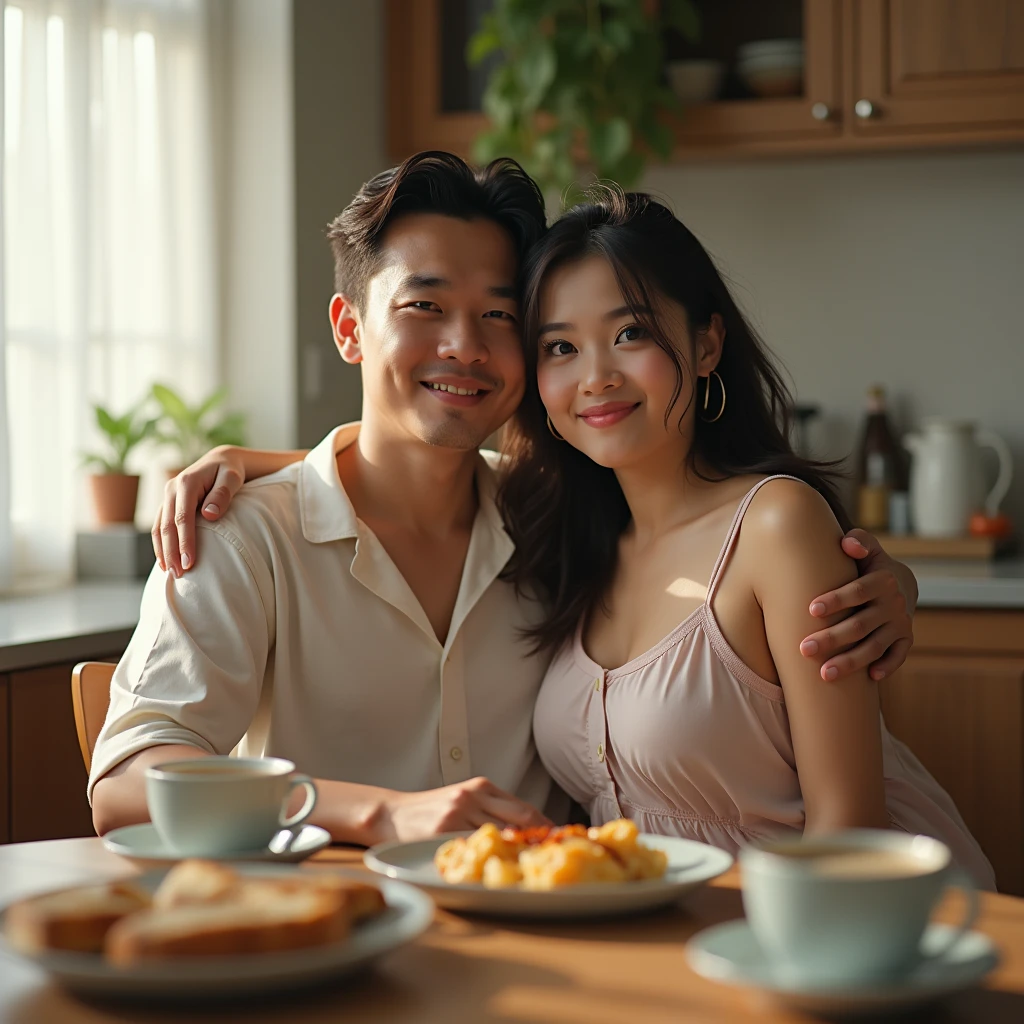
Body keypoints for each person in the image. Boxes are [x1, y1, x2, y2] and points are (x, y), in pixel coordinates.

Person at [99, 152, 916, 849]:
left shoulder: (547, 520)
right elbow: (125, 785)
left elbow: (734, 549)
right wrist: (375, 813)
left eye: (498, 316)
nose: (464, 344)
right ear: (350, 329)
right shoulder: (241, 534)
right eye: (425, 307)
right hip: (334, 940)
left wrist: (884, 581)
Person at [503, 190, 993, 885]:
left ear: (706, 344)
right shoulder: (560, 539)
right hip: (672, 940)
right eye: (560, 347)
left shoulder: (776, 526)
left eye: (631, 334)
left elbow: (845, 832)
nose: (595, 376)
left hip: (841, 927)